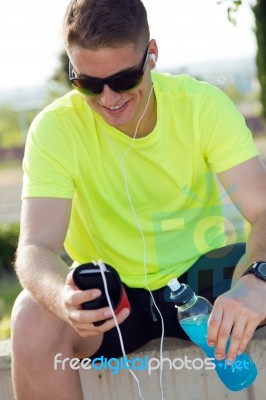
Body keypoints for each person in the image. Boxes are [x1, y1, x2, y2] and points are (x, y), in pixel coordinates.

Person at [11, 0, 266, 399]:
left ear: (152, 56)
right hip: (112, 301)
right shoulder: (54, 129)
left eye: (125, 78)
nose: (108, 98)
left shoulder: (202, 105)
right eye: (89, 84)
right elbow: (35, 248)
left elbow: (263, 211)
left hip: (199, 282)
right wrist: (63, 298)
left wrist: (257, 280)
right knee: (30, 315)